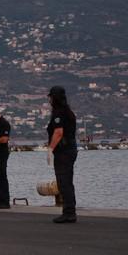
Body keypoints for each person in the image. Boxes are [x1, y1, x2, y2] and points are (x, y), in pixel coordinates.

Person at [47, 86, 78, 224]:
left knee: (63, 181)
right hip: (70, 149)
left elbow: (58, 132)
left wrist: (50, 149)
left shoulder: (59, 113)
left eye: (50, 97)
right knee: (67, 181)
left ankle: (69, 212)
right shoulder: (68, 111)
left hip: (63, 151)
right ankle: (69, 210)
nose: (49, 100)